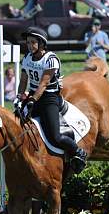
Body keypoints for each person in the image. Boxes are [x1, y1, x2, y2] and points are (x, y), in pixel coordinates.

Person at [17, 27, 87, 173]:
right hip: (33, 97)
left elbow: (44, 83)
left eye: (33, 43)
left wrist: (32, 101)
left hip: (49, 98)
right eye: (28, 42)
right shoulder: (27, 57)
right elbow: (23, 80)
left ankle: (78, 152)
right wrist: (19, 96)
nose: (29, 46)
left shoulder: (51, 59)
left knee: (55, 137)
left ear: (42, 43)